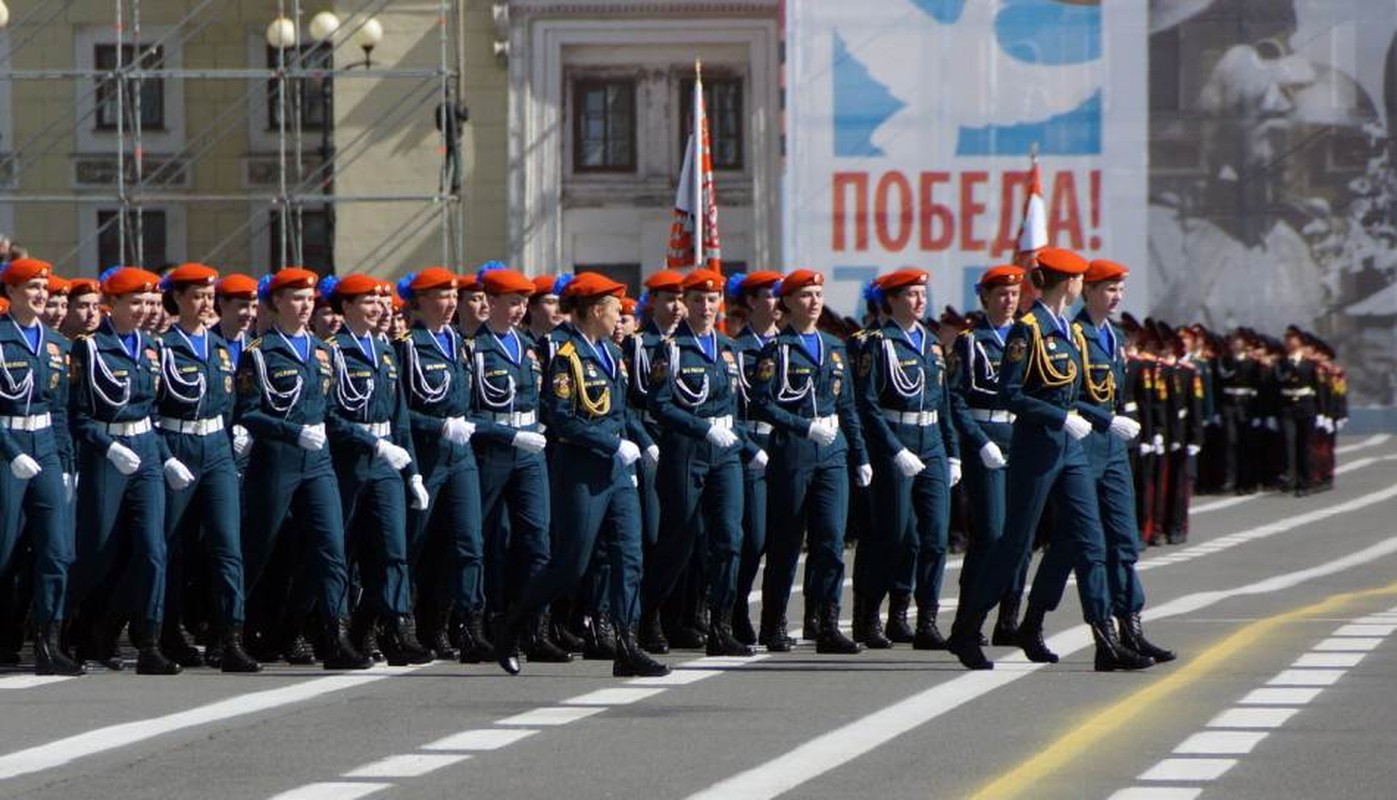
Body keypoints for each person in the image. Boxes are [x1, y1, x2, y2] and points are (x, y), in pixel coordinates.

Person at [946, 248, 1152, 672]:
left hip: (1071, 448)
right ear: (1070, 282)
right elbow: (1011, 393)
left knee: (1090, 542)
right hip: (1036, 448)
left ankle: (1105, 642)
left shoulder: (1069, 332)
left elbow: (1075, 395)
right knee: (1015, 545)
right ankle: (967, 629)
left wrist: (1102, 419)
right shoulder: (1029, 329)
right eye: (1080, 279)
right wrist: (1060, 416)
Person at [495, 272, 669, 678]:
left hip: (618, 470)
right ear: (594, 311)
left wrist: (640, 442)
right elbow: (561, 419)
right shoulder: (567, 356)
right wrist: (611, 444)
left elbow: (621, 411)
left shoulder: (612, 353)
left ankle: (627, 645)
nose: (620, 315)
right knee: (571, 564)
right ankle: (513, 626)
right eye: (613, 308)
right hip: (582, 470)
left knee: (630, 556)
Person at [1014, 258, 1175, 666]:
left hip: (1113, 448)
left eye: (1119, 289)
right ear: (1086, 291)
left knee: (1123, 538)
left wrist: (1117, 421)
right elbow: (1064, 396)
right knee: (1078, 545)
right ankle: (1052, 625)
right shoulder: (1075, 333)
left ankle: (1130, 628)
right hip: (1082, 444)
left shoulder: (1114, 336)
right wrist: (1105, 418)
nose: (1115, 296)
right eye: (1107, 288)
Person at [235, 267, 370, 670]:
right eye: (296, 298)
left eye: (309, 299)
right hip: (277, 460)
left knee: (331, 547)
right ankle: (237, 628)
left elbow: (328, 410)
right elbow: (247, 412)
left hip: (319, 462)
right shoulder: (258, 351)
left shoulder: (322, 351)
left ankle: (336, 636)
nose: (305, 305)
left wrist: (370, 439)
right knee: (260, 548)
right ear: (276, 303)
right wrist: (291, 433)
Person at [68, 267, 192, 675]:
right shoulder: (89, 348)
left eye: (147, 302)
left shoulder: (150, 347)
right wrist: (110, 447)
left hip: (146, 453)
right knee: (98, 552)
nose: (142, 310)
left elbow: (151, 412)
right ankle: (76, 629)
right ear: (113, 303)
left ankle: (149, 643)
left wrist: (166, 456)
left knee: (153, 550)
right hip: (107, 451)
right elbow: (79, 416)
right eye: (133, 302)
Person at [748, 268, 869, 655]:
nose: (814, 301)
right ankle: (774, 622)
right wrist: (803, 427)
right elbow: (762, 403)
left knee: (831, 541)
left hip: (832, 450)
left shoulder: (834, 346)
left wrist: (860, 454)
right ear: (786, 303)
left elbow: (847, 405)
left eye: (818, 294)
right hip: (795, 451)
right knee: (786, 542)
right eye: (804, 295)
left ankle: (827, 621)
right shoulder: (777, 349)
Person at [322, 275, 435, 666]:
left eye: (380, 302)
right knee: (343, 550)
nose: (378, 309)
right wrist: (372, 443)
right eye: (368, 302)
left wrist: (413, 473)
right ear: (347, 306)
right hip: (348, 460)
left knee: (392, 549)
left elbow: (400, 416)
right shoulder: (332, 352)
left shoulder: (385, 350)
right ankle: (336, 632)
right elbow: (329, 416)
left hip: (386, 462)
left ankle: (394, 628)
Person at [642, 269, 755, 657]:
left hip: (725, 453)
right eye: (697, 300)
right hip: (687, 451)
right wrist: (703, 429)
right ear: (685, 304)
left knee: (729, 537)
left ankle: (719, 624)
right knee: (678, 539)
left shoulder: (729, 348)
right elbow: (658, 405)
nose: (705, 307)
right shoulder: (671, 349)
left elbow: (737, 404)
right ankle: (651, 615)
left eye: (712, 300)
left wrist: (745, 445)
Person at [153, 264, 260, 673]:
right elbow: (151, 407)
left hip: (217, 445)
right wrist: (166, 456)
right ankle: (167, 629)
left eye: (208, 296)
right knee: (173, 545)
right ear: (178, 299)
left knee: (227, 544)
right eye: (196, 296)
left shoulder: (218, 348)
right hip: (178, 443)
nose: (204, 304)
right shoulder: (163, 346)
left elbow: (231, 400)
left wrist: (239, 431)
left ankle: (229, 635)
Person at [854, 268, 960, 650]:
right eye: (911, 294)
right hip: (895, 440)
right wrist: (894, 450)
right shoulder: (878, 343)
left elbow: (943, 403)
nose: (920, 300)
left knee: (933, 537)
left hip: (930, 439)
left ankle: (923, 617)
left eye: (922, 293)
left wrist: (953, 453)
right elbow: (867, 403)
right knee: (895, 535)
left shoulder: (931, 343)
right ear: (893, 300)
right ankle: (870, 615)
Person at [394, 268, 490, 662]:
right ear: (419, 301)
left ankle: (468, 625)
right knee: (416, 543)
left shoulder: (459, 343)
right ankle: (405, 623)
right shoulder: (408, 346)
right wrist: (438, 426)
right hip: (427, 455)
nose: (450, 304)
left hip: (460, 456)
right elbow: (399, 413)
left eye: (452, 295)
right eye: (440, 296)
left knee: (469, 542)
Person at [468, 267, 560, 658]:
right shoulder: (472, 347)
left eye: (524, 302)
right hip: (492, 449)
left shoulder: (527, 346)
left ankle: (532, 626)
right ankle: (483, 621)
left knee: (537, 539)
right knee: (487, 540)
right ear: (490, 303)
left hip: (529, 452)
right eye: (512, 302)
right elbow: (465, 412)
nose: (520, 310)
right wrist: (509, 435)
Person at [0, 258, 84, 675]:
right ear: (11, 292)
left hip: (47, 445)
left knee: (56, 549)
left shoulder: (57, 346)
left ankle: (49, 642)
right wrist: (11, 451)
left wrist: (67, 465)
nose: (40, 295)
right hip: (6, 446)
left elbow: (62, 409)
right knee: (3, 549)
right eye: (32, 287)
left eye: (44, 288)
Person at [948, 265, 1024, 647]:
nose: (1009, 301)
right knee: (990, 534)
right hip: (986, 439)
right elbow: (956, 398)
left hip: (1021, 436)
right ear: (986, 298)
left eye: (1014, 294)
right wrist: (979, 442)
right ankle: (970, 617)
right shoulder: (971, 341)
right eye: (1001, 294)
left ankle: (1009, 619)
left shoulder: (1028, 337)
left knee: (1019, 535)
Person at [725, 270, 783, 645]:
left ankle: (774, 620)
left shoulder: (791, 344)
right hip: (752, 450)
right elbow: (732, 409)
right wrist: (750, 448)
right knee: (754, 538)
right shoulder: (735, 350)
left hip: (790, 449)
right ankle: (737, 608)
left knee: (784, 539)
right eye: (769, 295)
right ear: (750, 302)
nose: (777, 302)